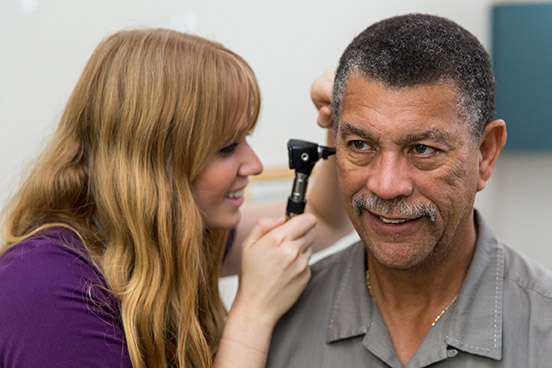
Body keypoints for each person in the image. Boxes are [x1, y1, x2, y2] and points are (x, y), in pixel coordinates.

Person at [0, 29, 351, 368]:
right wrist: (253, 314)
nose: (254, 165)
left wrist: (340, 121)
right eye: (227, 147)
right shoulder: (43, 289)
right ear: (154, 163)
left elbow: (325, 218)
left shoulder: (170, 238)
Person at [266, 13, 552, 367]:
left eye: (422, 150)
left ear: (486, 153)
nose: (385, 186)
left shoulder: (543, 330)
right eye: (360, 144)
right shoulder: (275, 323)